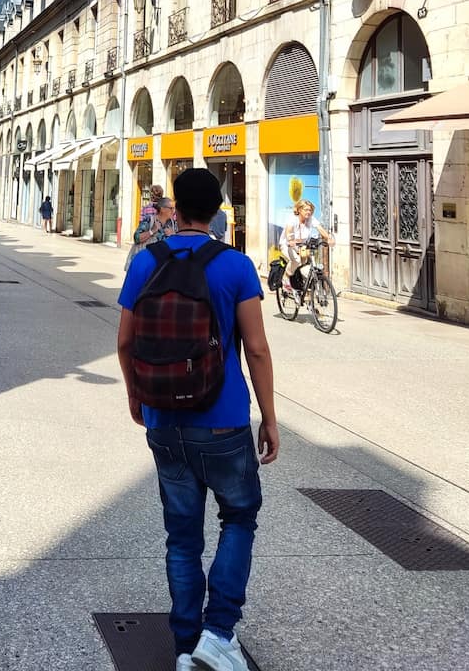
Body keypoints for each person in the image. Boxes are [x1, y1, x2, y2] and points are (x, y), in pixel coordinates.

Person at [117, 168, 279, 671]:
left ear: (176, 209)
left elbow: (124, 340)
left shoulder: (147, 261)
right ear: (215, 213)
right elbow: (255, 348)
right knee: (239, 518)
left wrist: (135, 394)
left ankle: (186, 645)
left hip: (164, 417)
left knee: (182, 536)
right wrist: (269, 418)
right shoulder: (235, 265)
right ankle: (218, 633)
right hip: (224, 418)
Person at [279, 199, 334, 292]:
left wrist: (328, 238)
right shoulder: (293, 219)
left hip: (302, 246)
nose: (308, 212)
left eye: (310, 210)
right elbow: (289, 230)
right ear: (299, 210)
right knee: (296, 260)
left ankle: (304, 289)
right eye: (306, 210)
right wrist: (290, 240)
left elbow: (320, 229)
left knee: (307, 265)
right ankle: (285, 279)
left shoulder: (311, 219)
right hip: (287, 245)